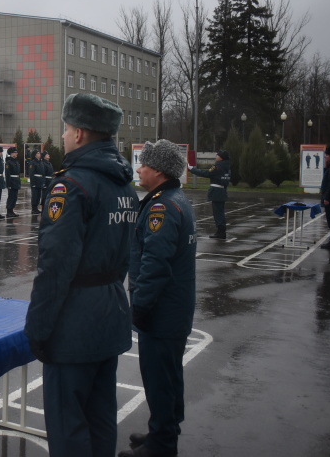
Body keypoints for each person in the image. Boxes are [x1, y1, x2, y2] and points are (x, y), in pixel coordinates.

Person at [25, 93, 137, 457]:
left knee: (68, 424)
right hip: (109, 312)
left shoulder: (71, 186)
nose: (62, 136)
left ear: (80, 133)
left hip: (73, 324)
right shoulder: (122, 183)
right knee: (101, 417)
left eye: (66, 128)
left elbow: (54, 268)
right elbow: (126, 255)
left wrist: (38, 329)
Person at [119, 139, 196, 457]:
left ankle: (162, 445)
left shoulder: (162, 206)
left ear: (160, 172)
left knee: (160, 378)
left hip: (162, 313)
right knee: (168, 375)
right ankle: (161, 432)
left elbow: (155, 265)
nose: (139, 169)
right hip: (173, 311)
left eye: (145, 165)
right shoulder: (174, 198)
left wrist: (140, 308)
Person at [188, 150, 231, 239]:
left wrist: (192, 169)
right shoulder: (227, 167)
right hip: (222, 191)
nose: (216, 156)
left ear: (221, 157)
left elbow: (206, 173)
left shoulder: (217, 167)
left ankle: (220, 232)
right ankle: (221, 231)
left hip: (216, 191)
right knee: (220, 212)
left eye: (218, 155)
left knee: (217, 212)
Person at [5, 146, 21, 217]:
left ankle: (12, 210)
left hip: (16, 181)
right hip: (12, 181)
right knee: (11, 197)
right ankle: (9, 211)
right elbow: (7, 174)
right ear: (11, 153)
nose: (16, 154)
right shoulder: (9, 162)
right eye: (15, 152)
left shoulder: (16, 162)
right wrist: (8, 184)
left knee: (14, 197)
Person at [28, 149, 44, 214]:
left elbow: (42, 173)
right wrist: (33, 183)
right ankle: (33, 208)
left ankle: (36, 207)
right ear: (35, 155)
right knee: (34, 195)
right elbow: (31, 174)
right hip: (35, 180)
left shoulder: (40, 162)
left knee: (38, 195)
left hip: (40, 181)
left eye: (39, 153)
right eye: (37, 153)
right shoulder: (32, 163)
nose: (39, 154)